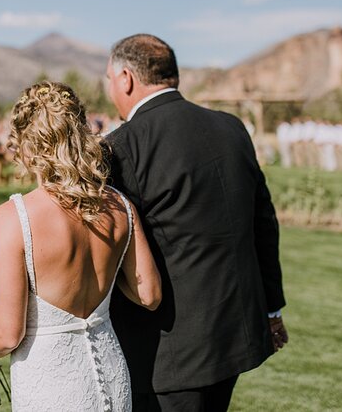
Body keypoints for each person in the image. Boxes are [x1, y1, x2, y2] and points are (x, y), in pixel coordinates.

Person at [104, 34, 287, 412]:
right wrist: (271, 310)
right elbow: (264, 224)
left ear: (125, 78)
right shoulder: (231, 128)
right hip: (235, 333)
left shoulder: (122, 146)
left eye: (109, 80)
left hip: (166, 351)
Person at [0, 82, 161, 411]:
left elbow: (5, 334)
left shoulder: (14, 218)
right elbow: (150, 295)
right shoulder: (120, 206)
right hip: (113, 376)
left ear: (27, 146)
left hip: (51, 387)